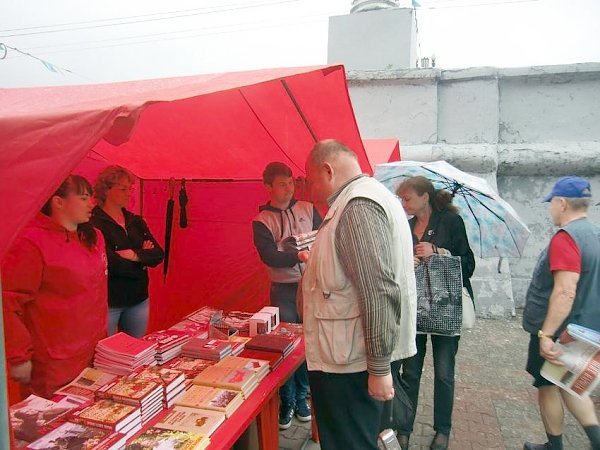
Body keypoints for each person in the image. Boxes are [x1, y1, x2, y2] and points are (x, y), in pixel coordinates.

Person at [301, 139, 417, 450]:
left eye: (311, 182)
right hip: (351, 356)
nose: (310, 192)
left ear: (328, 171)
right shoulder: (365, 199)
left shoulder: (357, 205)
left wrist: (378, 368)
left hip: (351, 363)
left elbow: (377, 288)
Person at [2, 175, 108, 398]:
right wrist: (18, 356)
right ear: (58, 202)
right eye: (83, 198)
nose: (92, 204)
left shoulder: (93, 237)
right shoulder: (31, 242)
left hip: (93, 351)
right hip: (54, 361)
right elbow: (9, 302)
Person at [395, 176, 476, 450]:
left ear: (424, 197)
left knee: (443, 373)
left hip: (446, 309)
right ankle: (403, 428)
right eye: (402, 199)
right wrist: (409, 260)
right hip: (415, 309)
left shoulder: (451, 222)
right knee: (410, 372)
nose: (403, 203)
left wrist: (438, 251)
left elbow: (468, 264)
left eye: (407, 198)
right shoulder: (405, 227)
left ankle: (443, 429)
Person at [522, 176, 600, 450]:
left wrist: (546, 335)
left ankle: (553, 446)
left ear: (562, 203)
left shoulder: (566, 238)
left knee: (548, 385)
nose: (550, 209)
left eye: (552, 203)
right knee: (573, 385)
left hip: (561, 330)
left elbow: (565, 291)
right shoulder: (594, 234)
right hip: (587, 327)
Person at [252, 161, 321, 429]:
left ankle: (303, 396)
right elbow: (269, 256)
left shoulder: (309, 209)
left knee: (307, 342)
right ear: (268, 187)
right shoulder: (261, 221)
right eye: (282, 184)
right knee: (287, 343)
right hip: (283, 289)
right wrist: (297, 254)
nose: (288, 188)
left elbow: (324, 238)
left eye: (291, 183)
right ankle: (288, 398)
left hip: (311, 285)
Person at [91, 165, 164, 338]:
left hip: (138, 298)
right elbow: (109, 263)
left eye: (130, 189)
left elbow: (158, 254)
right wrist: (142, 259)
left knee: (135, 351)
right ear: (107, 191)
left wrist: (132, 255)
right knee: (105, 353)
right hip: (109, 301)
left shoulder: (135, 221)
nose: (129, 193)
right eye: (123, 189)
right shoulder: (94, 223)